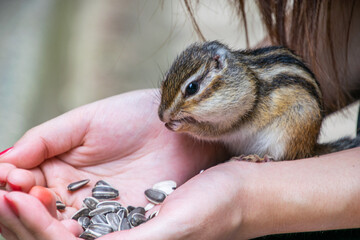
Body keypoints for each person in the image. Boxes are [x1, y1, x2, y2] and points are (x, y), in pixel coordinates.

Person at [0, 1, 359, 239]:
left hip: (287, 128)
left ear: (219, 67)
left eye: (190, 90)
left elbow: (231, 123)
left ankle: (277, 159)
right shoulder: (224, 84)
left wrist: (246, 200)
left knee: (289, 115)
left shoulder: (241, 95)